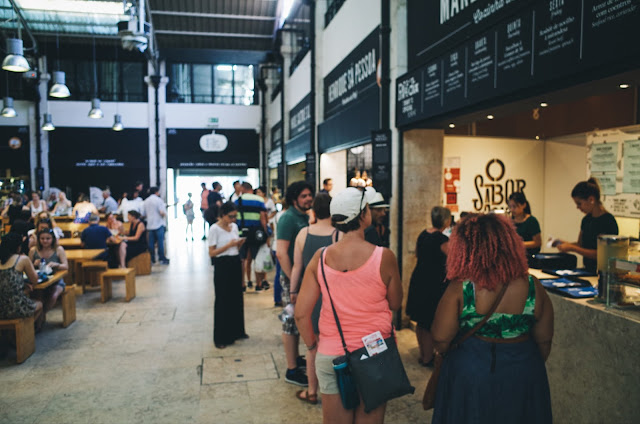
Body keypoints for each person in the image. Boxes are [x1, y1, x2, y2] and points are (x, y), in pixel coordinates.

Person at [430, 213, 554, 423]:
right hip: (523, 373)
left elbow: (441, 338)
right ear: (510, 244)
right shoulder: (533, 286)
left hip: (470, 372)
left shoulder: (462, 287)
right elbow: (544, 342)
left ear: (465, 248)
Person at [294, 186, 402, 423]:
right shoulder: (384, 257)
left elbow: (301, 314)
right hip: (375, 351)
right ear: (364, 215)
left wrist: (312, 346)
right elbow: (396, 302)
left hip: (332, 353)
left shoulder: (320, 258)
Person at [289, 193, 339, 405]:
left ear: (314, 211)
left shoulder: (303, 233)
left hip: (309, 295)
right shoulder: (338, 235)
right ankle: (336, 391)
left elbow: (297, 267)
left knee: (312, 346)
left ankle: (311, 391)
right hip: (331, 297)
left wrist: (293, 292)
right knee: (333, 346)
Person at [275, 181, 314, 387]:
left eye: (309, 195)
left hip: (304, 277)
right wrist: (293, 282)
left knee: (300, 320)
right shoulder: (288, 218)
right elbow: (281, 253)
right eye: (304, 196)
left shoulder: (305, 216)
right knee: (290, 322)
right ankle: (291, 369)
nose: (308, 199)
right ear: (294, 199)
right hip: (292, 279)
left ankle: (296, 359)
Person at [405, 206, 451, 367]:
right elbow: (453, 261)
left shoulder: (423, 234)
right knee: (431, 320)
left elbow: (417, 254)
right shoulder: (443, 240)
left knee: (421, 321)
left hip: (419, 278)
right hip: (434, 282)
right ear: (447, 220)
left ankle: (424, 354)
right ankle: (429, 356)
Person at [555, 178, 619, 273]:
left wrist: (572, 248)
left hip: (604, 273)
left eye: (579, 204)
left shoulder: (608, 221)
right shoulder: (586, 220)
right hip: (587, 270)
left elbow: (602, 254)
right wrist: (564, 243)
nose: (578, 207)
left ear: (591, 200)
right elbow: (581, 245)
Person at [208, 202, 248, 349]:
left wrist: (239, 243)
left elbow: (235, 246)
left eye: (235, 216)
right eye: (230, 216)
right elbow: (212, 252)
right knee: (222, 299)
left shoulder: (235, 227)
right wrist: (228, 246)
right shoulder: (214, 229)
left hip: (234, 261)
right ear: (222, 215)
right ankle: (221, 337)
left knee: (236, 297)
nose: (233, 219)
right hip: (222, 264)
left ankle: (237, 330)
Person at [0, 233, 43, 329]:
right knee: (39, 304)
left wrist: (22, 283)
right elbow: (35, 280)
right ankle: (26, 332)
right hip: (16, 307)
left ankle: (13, 333)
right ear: (18, 247)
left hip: (1, 306)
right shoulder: (22, 259)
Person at [235, 182, 268, 291]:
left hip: (242, 233)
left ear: (243, 188)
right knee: (257, 257)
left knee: (242, 259)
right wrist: (266, 233)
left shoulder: (237, 201)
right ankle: (258, 284)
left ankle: (242, 284)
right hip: (256, 233)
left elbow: (234, 219)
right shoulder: (259, 200)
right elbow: (263, 218)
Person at [28, 229, 68, 311]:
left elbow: (66, 266)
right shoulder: (33, 250)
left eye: (48, 238)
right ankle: (39, 319)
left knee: (53, 296)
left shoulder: (59, 249)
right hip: (39, 281)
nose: (45, 241)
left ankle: (43, 314)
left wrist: (57, 265)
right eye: (42, 239)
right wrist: (34, 265)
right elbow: (27, 267)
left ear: (52, 239)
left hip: (56, 281)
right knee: (38, 296)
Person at [508, 192, 542, 257]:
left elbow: (537, 242)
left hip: (529, 256)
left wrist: (519, 244)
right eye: (510, 207)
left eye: (515, 206)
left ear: (523, 205)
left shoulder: (531, 221)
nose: (512, 209)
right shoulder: (509, 221)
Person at [144, 187, 169, 265]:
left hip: (150, 224)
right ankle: (161, 258)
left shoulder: (146, 201)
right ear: (156, 192)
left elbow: (144, 214)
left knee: (151, 243)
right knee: (160, 242)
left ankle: (152, 259)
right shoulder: (158, 200)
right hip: (158, 224)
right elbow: (162, 212)